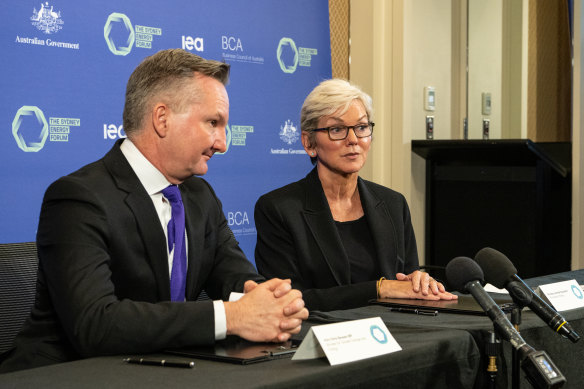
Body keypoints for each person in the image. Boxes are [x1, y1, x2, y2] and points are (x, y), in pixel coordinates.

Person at [0, 49, 307, 373]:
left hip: (163, 369)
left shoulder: (200, 195)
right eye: (213, 123)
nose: (222, 143)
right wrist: (232, 317)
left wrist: (272, 301)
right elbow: (94, 324)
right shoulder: (78, 198)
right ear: (162, 119)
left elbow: (235, 277)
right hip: (63, 375)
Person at [254, 79, 456, 312]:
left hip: (394, 336)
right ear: (309, 142)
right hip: (320, 338)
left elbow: (406, 282)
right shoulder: (279, 209)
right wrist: (379, 289)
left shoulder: (393, 204)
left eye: (361, 128)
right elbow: (286, 301)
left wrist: (419, 282)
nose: (353, 140)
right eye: (337, 129)